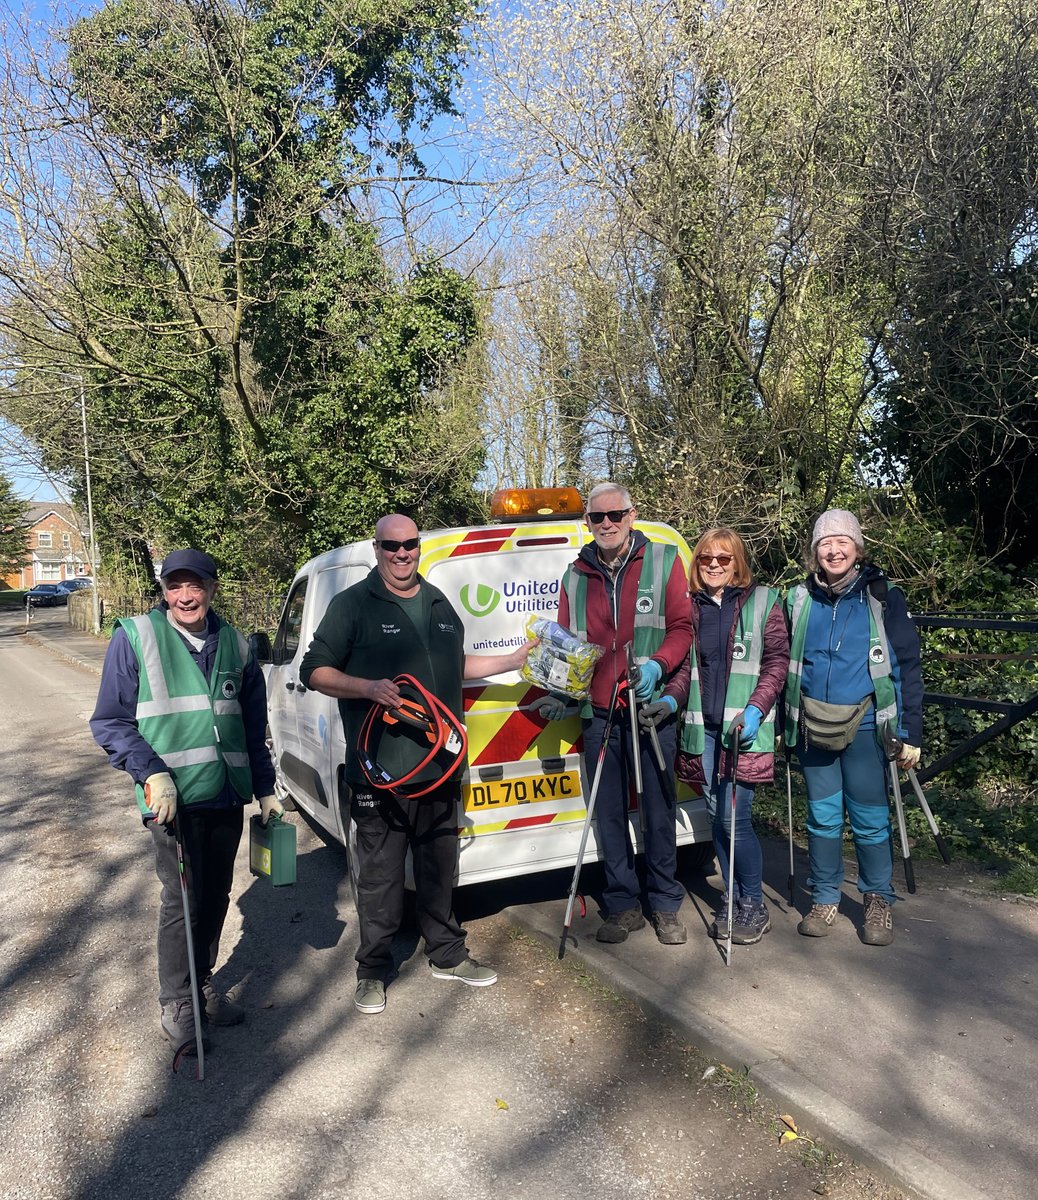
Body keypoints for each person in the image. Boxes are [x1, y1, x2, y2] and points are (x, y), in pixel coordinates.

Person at [299, 514, 532, 1016]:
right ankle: (372, 969)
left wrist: (511, 660)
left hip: (441, 766)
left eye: (409, 544)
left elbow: (454, 664)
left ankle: (447, 954)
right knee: (380, 877)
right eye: (391, 546)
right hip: (382, 771)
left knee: (438, 868)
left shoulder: (438, 603)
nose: (402, 553)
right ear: (377, 549)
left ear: (418, 547)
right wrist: (367, 688)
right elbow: (314, 670)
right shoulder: (353, 605)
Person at [90, 549, 281, 1051]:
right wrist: (151, 772)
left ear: (212, 588)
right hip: (170, 799)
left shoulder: (236, 644)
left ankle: (201, 984)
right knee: (182, 900)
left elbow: (253, 726)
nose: (185, 596)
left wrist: (265, 788)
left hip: (226, 793)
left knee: (215, 895)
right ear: (164, 591)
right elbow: (110, 722)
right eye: (174, 586)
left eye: (194, 585)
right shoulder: (136, 637)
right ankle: (177, 1002)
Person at [538, 483, 693, 945]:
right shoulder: (575, 574)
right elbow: (566, 644)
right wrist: (564, 695)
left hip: (649, 710)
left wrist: (658, 665)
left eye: (615, 515)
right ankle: (624, 905)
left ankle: (665, 904)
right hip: (599, 713)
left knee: (658, 812)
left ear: (631, 515)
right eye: (597, 517)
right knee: (607, 815)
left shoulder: (664, 559)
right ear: (587, 522)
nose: (606, 523)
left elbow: (683, 627)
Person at [784, 510, 923, 946]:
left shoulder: (883, 597)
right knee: (823, 817)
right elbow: (778, 660)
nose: (834, 550)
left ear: (857, 548)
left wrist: (911, 732)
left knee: (869, 818)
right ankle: (825, 898)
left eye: (842, 541)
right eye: (825, 543)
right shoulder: (798, 599)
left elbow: (907, 665)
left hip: (866, 726)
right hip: (813, 724)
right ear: (814, 552)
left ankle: (877, 899)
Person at [655, 528, 789, 946]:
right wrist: (671, 700)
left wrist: (756, 709)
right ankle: (732, 897)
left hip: (743, 729)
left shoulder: (763, 601)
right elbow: (684, 669)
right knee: (718, 818)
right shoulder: (690, 607)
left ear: (737, 563)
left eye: (723, 558)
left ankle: (753, 904)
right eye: (706, 558)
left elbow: (777, 661)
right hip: (704, 730)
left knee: (735, 818)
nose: (713, 564)